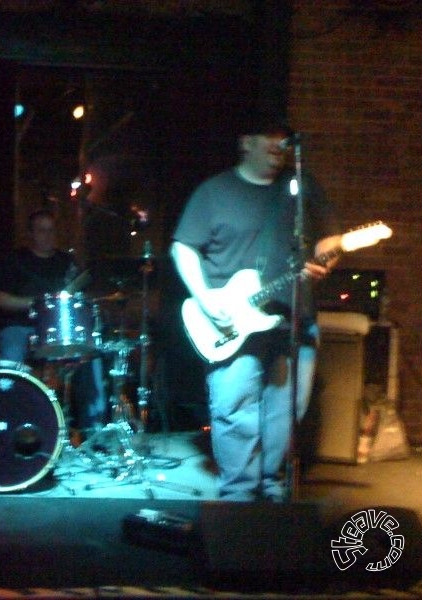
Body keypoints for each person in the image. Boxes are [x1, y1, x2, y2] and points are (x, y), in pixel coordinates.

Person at [170, 113, 342, 502]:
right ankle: (239, 498)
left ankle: (273, 488)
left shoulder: (300, 186)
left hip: (294, 316)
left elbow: (330, 237)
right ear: (245, 142)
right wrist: (205, 298)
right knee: (236, 408)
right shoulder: (214, 192)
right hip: (232, 319)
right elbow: (183, 247)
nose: (277, 144)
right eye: (268, 136)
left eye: (283, 138)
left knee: (286, 411)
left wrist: (328, 257)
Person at [0, 209, 105, 432]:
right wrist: (36, 303)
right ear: (31, 234)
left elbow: (81, 297)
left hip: (61, 330)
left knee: (93, 356)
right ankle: (6, 425)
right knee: (10, 359)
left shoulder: (67, 262)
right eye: (42, 230)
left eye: (51, 230)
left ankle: (94, 431)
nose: (48, 235)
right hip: (21, 326)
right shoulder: (15, 260)